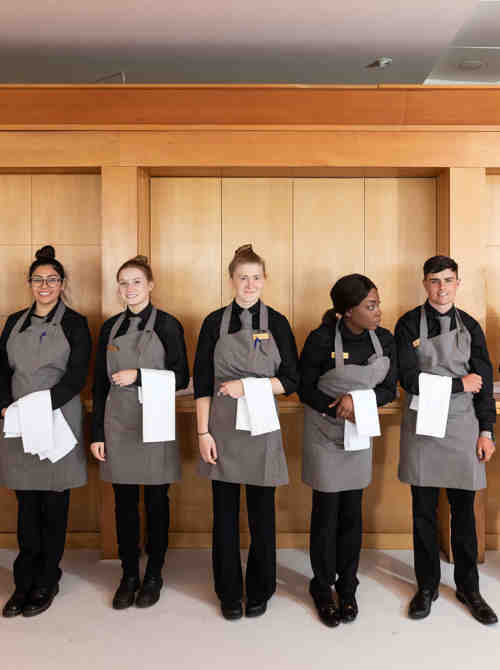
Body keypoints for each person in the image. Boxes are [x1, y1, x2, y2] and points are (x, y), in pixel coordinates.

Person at [194, 244, 299, 620]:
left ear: (265, 280)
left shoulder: (279, 323)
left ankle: (260, 589)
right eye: (243, 277)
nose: (250, 283)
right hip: (221, 427)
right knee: (223, 514)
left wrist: (249, 388)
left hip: (262, 427)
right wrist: (202, 434)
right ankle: (227, 590)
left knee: (261, 513)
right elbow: (203, 384)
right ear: (231, 280)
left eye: (256, 277)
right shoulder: (212, 323)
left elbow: (292, 380)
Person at [396, 255, 497, 625]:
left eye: (448, 281)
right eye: (435, 281)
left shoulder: (470, 326)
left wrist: (487, 431)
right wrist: (457, 384)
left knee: (464, 514)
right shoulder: (408, 324)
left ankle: (469, 587)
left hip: (461, 427)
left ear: (458, 283)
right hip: (422, 425)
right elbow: (406, 377)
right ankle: (426, 587)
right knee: (422, 513)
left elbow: (482, 382)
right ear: (425, 283)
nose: (442, 288)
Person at [90, 255, 189, 610]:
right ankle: (129, 572)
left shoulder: (167, 325)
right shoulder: (110, 328)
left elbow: (183, 376)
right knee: (124, 502)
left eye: (136, 282)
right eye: (123, 282)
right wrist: (97, 432)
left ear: (150, 285)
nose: (129, 289)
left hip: (156, 419)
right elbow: (100, 385)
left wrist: (140, 375)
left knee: (156, 500)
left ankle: (154, 574)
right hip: (118, 422)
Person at [299, 274, 397, 627]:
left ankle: (349, 586)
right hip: (324, 434)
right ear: (347, 311)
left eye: (377, 304)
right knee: (326, 513)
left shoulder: (384, 340)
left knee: (352, 514)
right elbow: (304, 387)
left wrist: (357, 402)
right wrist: (334, 407)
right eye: (370, 306)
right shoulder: (321, 338)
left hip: (360, 433)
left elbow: (389, 389)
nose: (378, 312)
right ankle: (323, 586)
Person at [0, 245, 91, 618]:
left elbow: (78, 373)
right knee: (26, 504)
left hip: (57, 416)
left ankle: (47, 579)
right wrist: (7, 404)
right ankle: (23, 581)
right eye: (38, 279)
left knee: (54, 503)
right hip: (19, 418)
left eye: (52, 279)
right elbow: (1, 370)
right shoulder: (13, 322)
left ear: (62, 284)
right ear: (29, 284)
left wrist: (43, 405)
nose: (44, 285)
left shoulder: (76, 323)